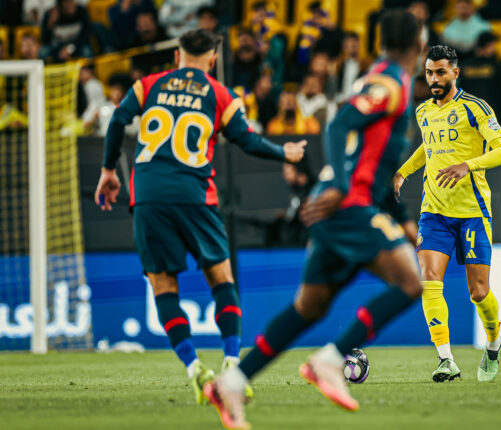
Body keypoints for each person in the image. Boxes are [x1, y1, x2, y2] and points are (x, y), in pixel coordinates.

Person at [203, 10, 423, 429]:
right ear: (418, 44)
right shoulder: (393, 83)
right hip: (347, 205)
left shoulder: (379, 76)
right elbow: (339, 123)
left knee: (310, 306)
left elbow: (374, 159)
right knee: (410, 283)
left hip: (344, 204)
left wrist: (400, 215)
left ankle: (232, 383)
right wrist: (339, 184)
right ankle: (332, 359)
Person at [94, 29, 307, 406]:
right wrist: (284, 152)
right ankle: (232, 368)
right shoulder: (220, 94)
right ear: (213, 59)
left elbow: (116, 121)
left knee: (163, 285)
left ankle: (194, 369)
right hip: (195, 195)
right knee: (222, 279)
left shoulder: (148, 84)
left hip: (148, 197)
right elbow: (246, 140)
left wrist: (109, 170)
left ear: (176, 56)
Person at [395, 45, 501, 383]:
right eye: (429, 73)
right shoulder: (423, 111)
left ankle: (493, 342)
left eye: (440, 72)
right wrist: (403, 172)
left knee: (479, 292)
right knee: (429, 281)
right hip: (434, 212)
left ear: (455, 73)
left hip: (472, 212)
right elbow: (428, 147)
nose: (434, 79)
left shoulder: (475, 108)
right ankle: (446, 359)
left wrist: (467, 165)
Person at [460, 31, 501, 127]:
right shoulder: (495, 66)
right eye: (491, 46)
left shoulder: (465, 66)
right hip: (491, 118)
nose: (494, 49)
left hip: (470, 117)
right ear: (483, 47)